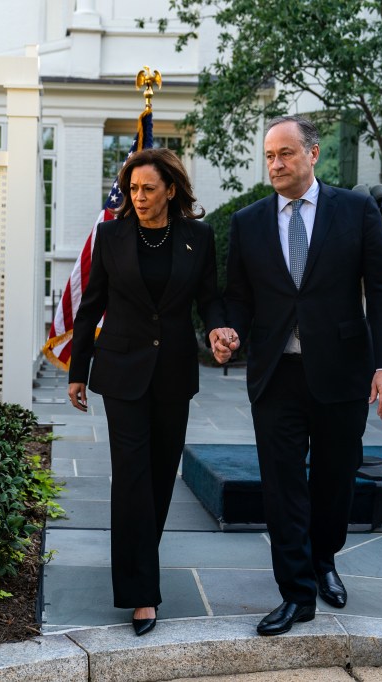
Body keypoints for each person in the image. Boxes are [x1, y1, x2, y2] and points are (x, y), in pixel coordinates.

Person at [212, 115, 382, 636]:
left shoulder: (356, 210)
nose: (275, 164)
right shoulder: (248, 221)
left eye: (286, 154)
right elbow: (240, 297)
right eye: (269, 155)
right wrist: (228, 330)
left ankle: (323, 560)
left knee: (335, 479)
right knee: (281, 485)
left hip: (342, 372)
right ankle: (296, 592)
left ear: (312, 154)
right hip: (276, 375)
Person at [67, 147, 234, 636]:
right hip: (121, 372)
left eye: (148, 189)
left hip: (173, 373)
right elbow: (91, 304)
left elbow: (210, 299)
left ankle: (140, 560)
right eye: (133, 189)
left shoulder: (198, 238)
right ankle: (142, 593)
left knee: (161, 479)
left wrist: (221, 330)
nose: (138, 197)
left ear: (171, 190)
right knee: (133, 478)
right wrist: (79, 369)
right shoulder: (112, 235)